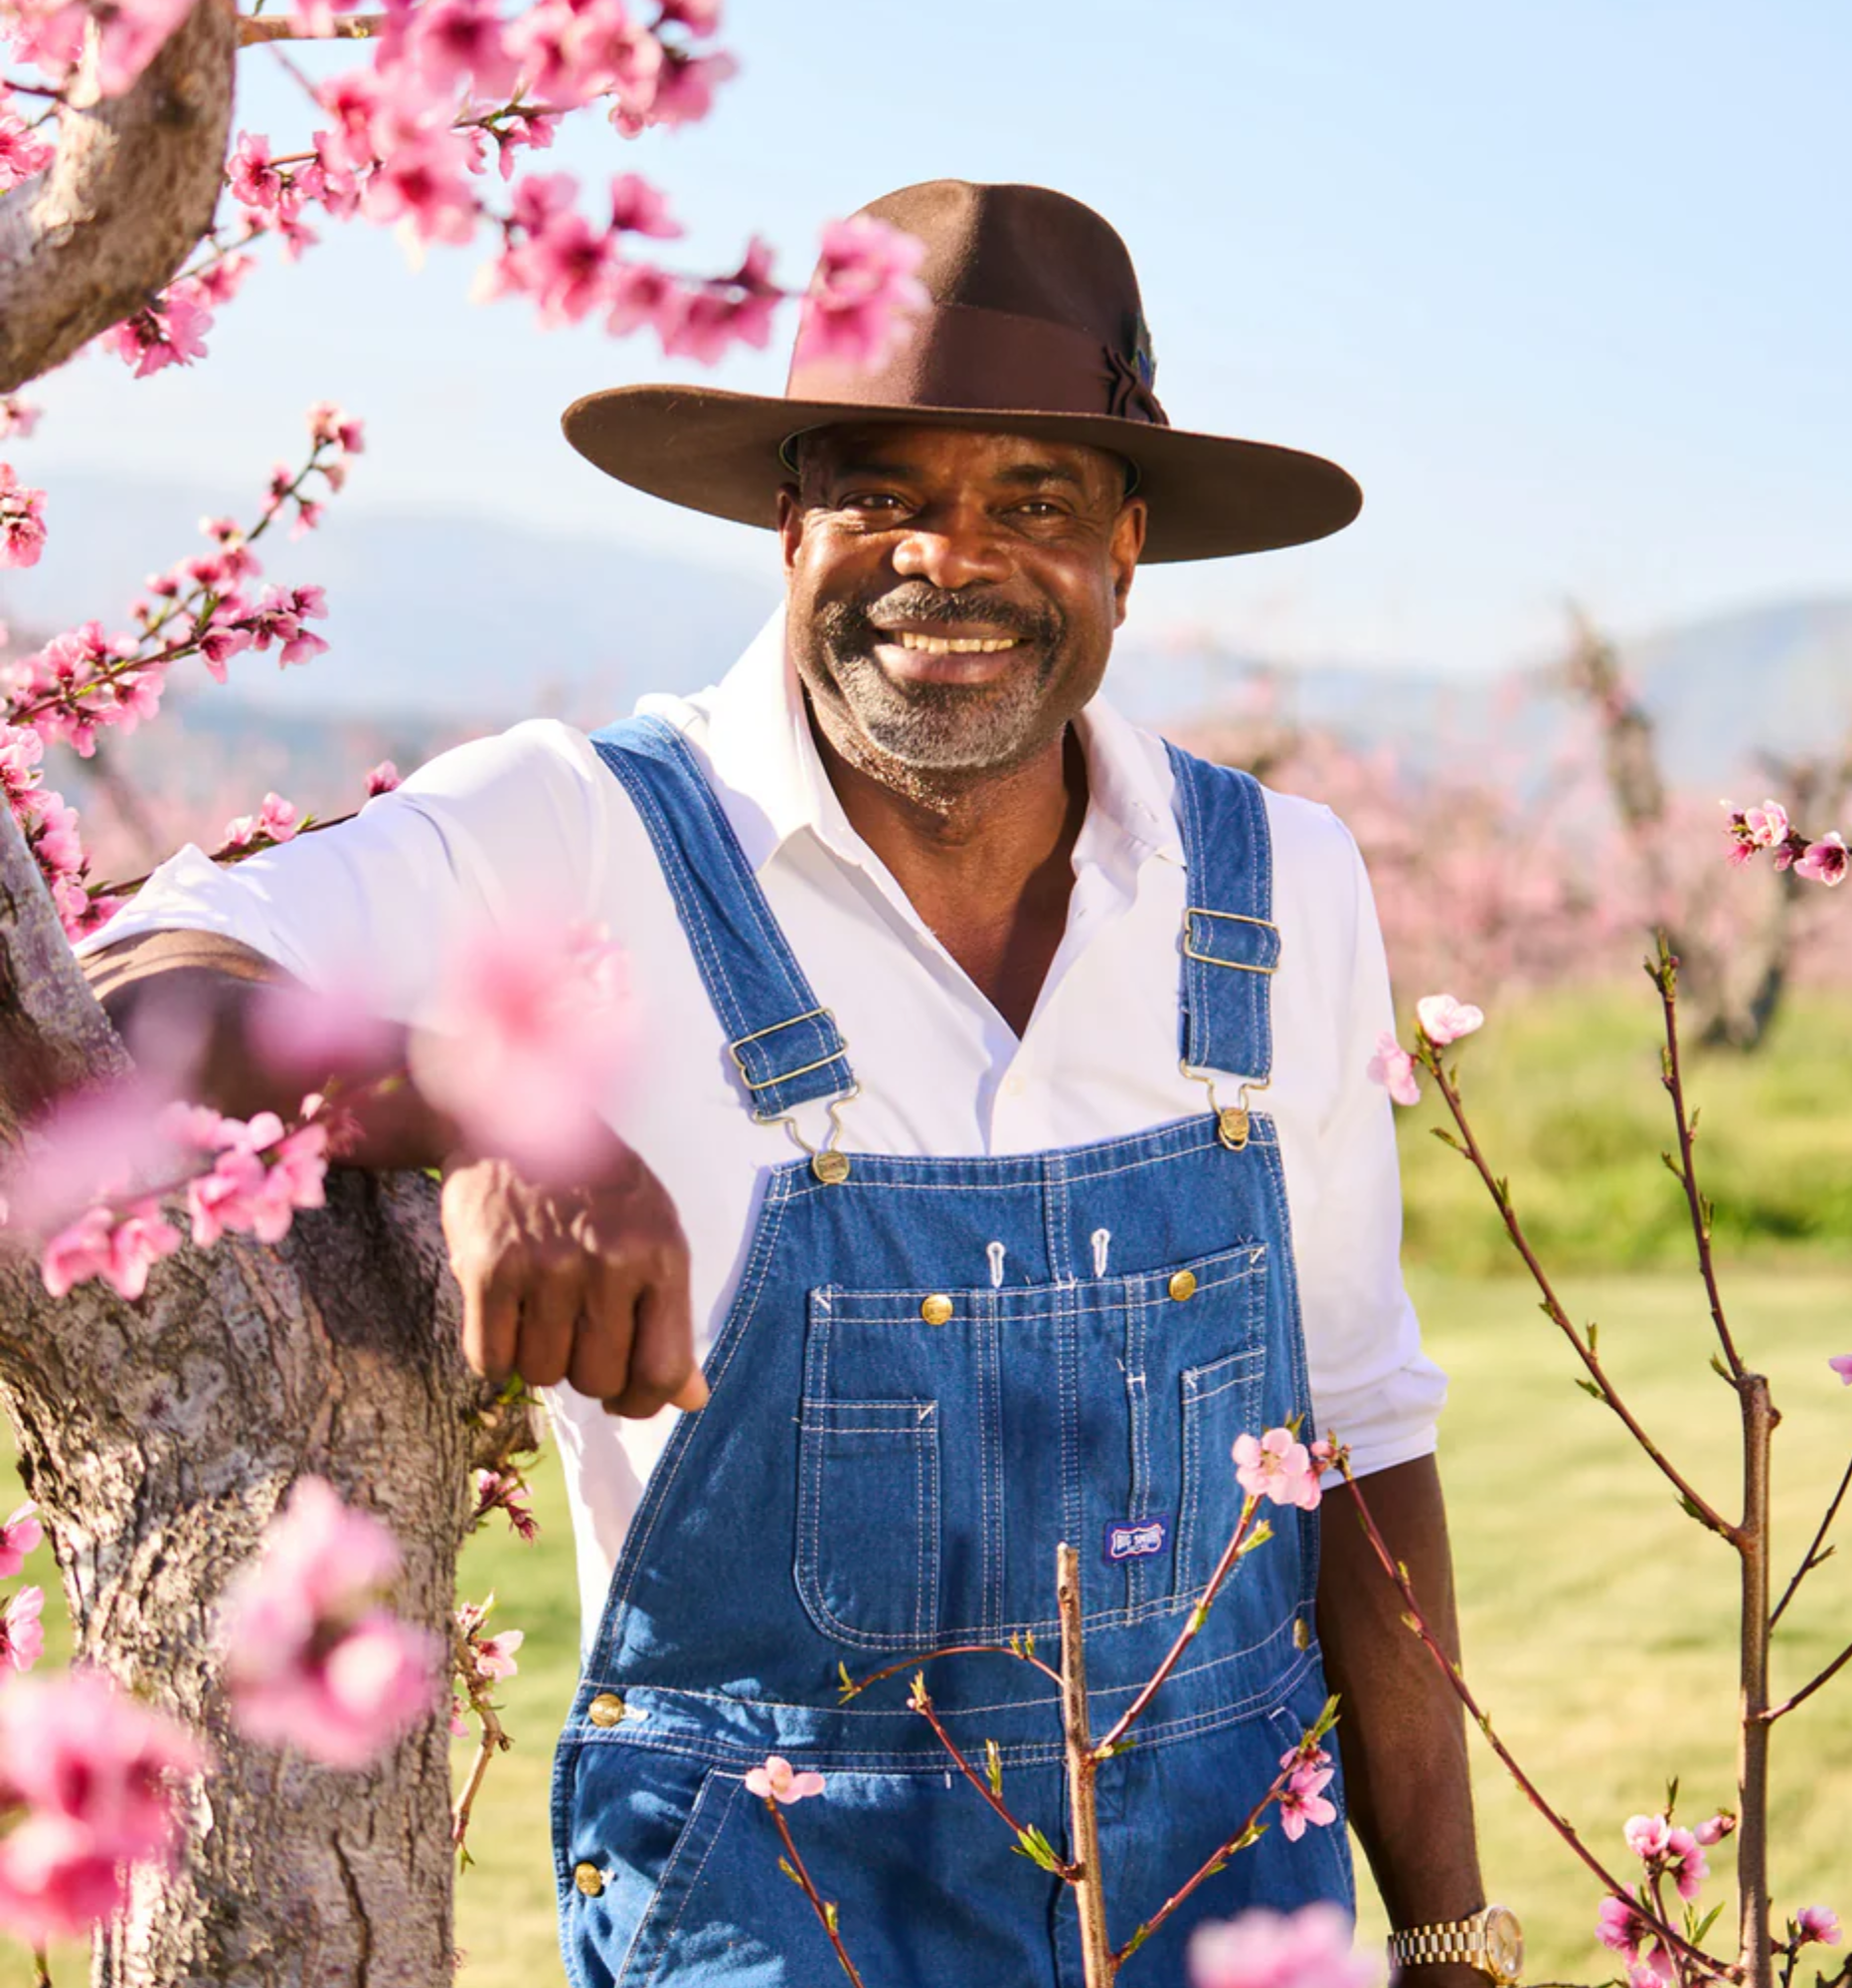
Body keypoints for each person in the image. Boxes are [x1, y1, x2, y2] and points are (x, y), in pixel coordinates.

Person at [82, 180, 1519, 1988]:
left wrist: (1453, 1934)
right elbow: (125, 988)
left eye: (1036, 502)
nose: (953, 558)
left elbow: (1364, 1438)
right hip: (780, 1943)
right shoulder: (589, 829)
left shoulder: (1279, 884)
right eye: (886, 494)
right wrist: (483, 1101)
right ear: (788, 525)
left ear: (1129, 547)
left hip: (1234, 1934)